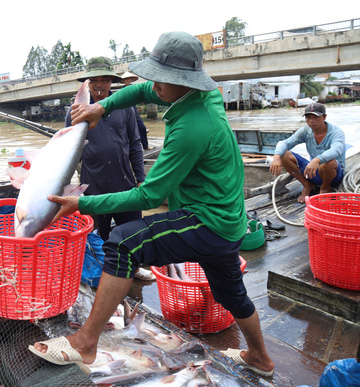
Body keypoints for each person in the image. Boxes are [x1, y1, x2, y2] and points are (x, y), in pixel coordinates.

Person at [30, 31, 275, 378]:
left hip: (206, 220)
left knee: (123, 243)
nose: (154, 84)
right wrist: (101, 106)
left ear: (183, 81)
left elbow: (149, 197)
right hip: (228, 218)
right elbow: (144, 90)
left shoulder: (192, 127)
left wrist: (81, 203)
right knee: (231, 294)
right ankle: (260, 359)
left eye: (163, 78)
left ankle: (85, 343)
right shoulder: (202, 94)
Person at [65, 57, 152, 281]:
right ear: (86, 83)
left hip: (124, 184)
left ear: (112, 82)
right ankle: (104, 272)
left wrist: (140, 178)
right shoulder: (75, 111)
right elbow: (67, 154)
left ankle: (133, 268)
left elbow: (134, 144)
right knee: (97, 235)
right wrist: (66, 187)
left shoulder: (126, 107)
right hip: (93, 186)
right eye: (94, 80)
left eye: (105, 80)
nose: (99, 85)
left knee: (133, 231)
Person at [269, 102, 345, 203]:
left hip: (333, 176)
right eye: (308, 118)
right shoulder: (305, 131)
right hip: (314, 172)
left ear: (324, 117)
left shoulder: (336, 132)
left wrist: (318, 159)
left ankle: (325, 188)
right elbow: (286, 143)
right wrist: (276, 157)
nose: (311, 121)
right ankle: (307, 185)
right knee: (284, 155)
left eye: (315, 117)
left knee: (329, 163)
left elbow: (337, 150)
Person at [121, 71, 150, 150]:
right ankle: (129, 148)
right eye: (126, 79)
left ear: (131, 79)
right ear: (123, 80)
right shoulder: (121, 90)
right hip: (125, 112)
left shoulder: (135, 88)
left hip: (135, 112)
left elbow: (138, 99)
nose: (128, 80)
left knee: (142, 128)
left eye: (129, 79)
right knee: (127, 131)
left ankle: (145, 146)